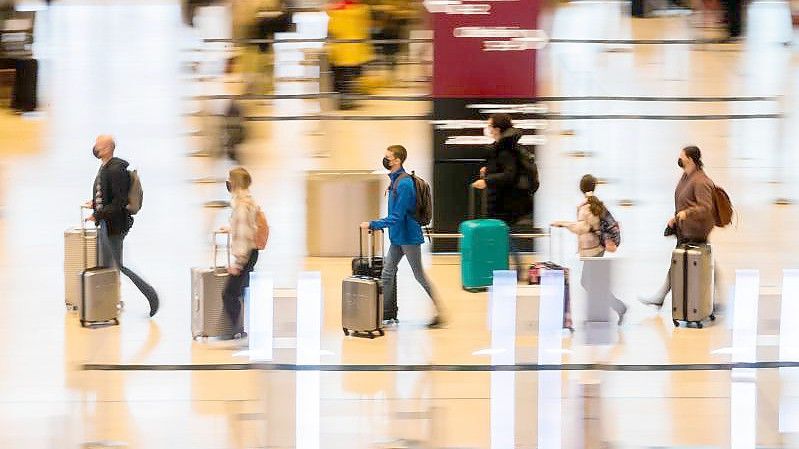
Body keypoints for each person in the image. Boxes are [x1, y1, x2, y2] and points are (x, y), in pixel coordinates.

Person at [360, 145, 445, 329]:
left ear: (397, 160)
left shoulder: (404, 184)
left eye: (388, 157)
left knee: (419, 275)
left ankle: (440, 312)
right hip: (398, 237)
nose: (385, 160)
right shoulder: (395, 180)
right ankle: (383, 312)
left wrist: (373, 224)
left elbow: (397, 216)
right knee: (387, 272)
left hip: (409, 238)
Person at [86, 135, 159, 317]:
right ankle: (112, 301)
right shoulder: (106, 167)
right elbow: (107, 195)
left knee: (118, 265)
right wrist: (95, 205)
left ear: (107, 148)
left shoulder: (115, 170)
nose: (95, 148)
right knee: (108, 265)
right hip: (107, 223)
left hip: (115, 226)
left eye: (99, 145)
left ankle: (151, 296)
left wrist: (98, 214)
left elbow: (119, 201)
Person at [639, 145, 719, 308]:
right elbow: (685, 200)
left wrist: (686, 214)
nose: (679, 159)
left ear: (690, 159)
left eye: (681, 156)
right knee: (698, 261)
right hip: (685, 228)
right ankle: (716, 298)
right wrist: (676, 218)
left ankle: (662, 296)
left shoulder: (701, 181)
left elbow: (705, 207)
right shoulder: (687, 176)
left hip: (695, 230)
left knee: (688, 263)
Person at [552, 174, 627, 324]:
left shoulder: (585, 207)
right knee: (592, 282)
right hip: (597, 248)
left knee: (588, 282)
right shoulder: (596, 204)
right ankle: (610, 310)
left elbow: (582, 228)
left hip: (592, 249)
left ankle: (616, 308)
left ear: (581, 188)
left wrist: (563, 224)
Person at [472, 113, 534, 280]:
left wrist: (487, 181)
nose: (488, 129)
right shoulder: (503, 146)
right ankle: (509, 270)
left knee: (502, 237)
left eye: (490, 125)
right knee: (503, 237)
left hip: (505, 202)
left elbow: (509, 175)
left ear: (497, 129)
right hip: (503, 201)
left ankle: (513, 270)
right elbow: (504, 170)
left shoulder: (505, 149)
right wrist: (488, 171)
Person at [221, 167, 263, 331]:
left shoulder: (240, 206)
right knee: (242, 291)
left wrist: (238, 264)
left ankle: (236, 330)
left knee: (229, 294)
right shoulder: (249, 201)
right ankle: (243, 328)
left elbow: (243, 236)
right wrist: (231, 227)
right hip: (253, 253)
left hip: (245, 254)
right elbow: (248, 226)